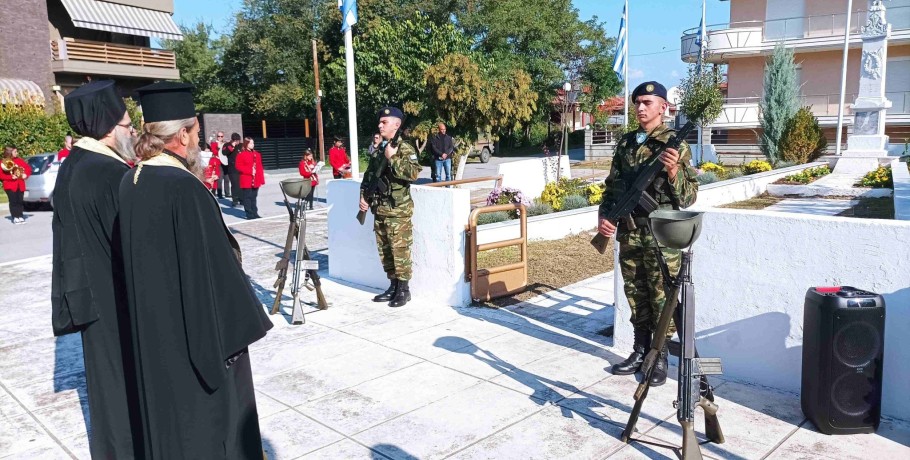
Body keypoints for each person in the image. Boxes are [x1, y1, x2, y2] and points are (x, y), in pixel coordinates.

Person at [119, 81, 272, 458]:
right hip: (197, 342)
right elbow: (212, 275)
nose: (199, 144)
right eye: (197, 134)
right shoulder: (184, 187)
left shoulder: (131, 179)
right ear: (182, 135)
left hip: (156, 332)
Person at [52, 80, 139, 457]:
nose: (132, 131)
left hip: (90, 293)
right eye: (127, 124)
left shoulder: (75, 165)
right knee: (121, 391)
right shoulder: (108, 173)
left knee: (106, 387)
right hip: (114, 298)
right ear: (107, 127)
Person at [598, 81, 699, 387]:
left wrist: (672, 172)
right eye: (638, 102)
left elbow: (689, 197)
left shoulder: (675, 144)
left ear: (663, 107)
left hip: (660, 237)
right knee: (636, 294)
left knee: (661, 298)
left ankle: (659, 357)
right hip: (629, 232)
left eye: (648, 103)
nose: (641, 108)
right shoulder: (626, 143)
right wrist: (605, 217)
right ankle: (639, 350)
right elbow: (612, 186)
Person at [359, 107, 422, 308]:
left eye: (384, 122)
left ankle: (404, 290)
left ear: (397, 124)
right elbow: (369, 175)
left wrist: (392, 157)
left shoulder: (405, 148)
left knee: (399, 250)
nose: (380, 125)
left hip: (398, 210)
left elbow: (413, 174)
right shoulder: (378, 149)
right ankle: (393, 285)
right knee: (385, 250)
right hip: (379, 209)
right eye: (380, 122)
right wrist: (363, 197)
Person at [236, 137, 265, 219]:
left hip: (255, 179)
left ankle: (255, 212)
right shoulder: (241, 154)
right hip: (246, 178)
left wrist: (261, 179)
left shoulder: (257, 154)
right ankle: (249, 214)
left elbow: (260, 167)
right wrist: (249, 171)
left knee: (253, 197)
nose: (253, 145)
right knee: (247, 197)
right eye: (251, 143)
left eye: (253, 143)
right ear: (246, 144)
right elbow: (238, 166)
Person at [1, 146, 30, 224]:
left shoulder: (19, 160)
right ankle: (15, 217)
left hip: (20, 184)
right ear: (10, 152)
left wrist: (26, 175)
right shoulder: (4, 162)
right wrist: (11, 177)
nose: (17, 153)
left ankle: (20, 216)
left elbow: (28, 168)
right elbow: (1, 175)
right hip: (10, 185)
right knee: (13, 201)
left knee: (20, 201)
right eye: (15, 152)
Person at [222, 132, 242, 206]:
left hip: (241, 167)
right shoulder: (227, 145)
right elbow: (224, 152)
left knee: (241, 184)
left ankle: (242, 199)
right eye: (236, 141)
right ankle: (235, 201)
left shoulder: (241, 145)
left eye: (238, 140)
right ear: (233, 140)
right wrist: (231, 146)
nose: (238, 142)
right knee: (235, 184)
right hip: (232, 168)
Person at [210, 131, 227, 198]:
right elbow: (213, 152)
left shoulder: (225, 144)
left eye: (221, 136)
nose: (220, 138)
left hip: (225, 163)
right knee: (219, 179)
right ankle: (219, 194)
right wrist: (218, 148)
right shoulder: (214, 144)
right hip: (217, 162)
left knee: (226, 179)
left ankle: (227, 193)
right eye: (218, 136)